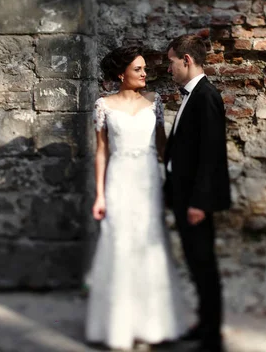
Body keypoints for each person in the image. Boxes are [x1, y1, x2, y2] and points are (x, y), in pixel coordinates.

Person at [85, 45, 186, 350]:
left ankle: (151, 325)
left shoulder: (155, 103)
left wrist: (176, 182)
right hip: (119, 180)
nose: (145, 74)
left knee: (149, 243)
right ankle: (118, 326)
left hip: (148, 180)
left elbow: (163, 147)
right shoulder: (103, 105)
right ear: (121, 74)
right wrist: (100, 195)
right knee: (119, 244)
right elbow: (101, 151)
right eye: (138, 69)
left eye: (145, 69)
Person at [162, 34, 231, 352]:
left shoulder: (206, 96)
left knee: (204, 264)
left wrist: (200, 202)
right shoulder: (192, 94)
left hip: (194, 200)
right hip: (183, 194)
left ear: (186, 60)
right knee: (195, 262)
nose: (169, 68)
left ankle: (212, 337)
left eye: (171, 61)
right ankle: (204, 324)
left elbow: (211, 154)